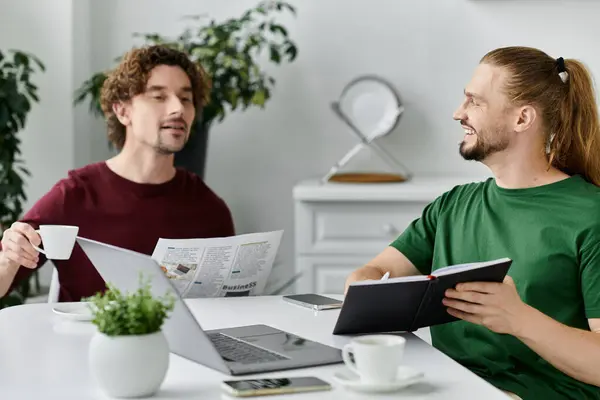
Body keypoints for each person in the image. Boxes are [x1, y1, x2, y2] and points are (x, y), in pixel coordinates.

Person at [345, 46, 600, 400]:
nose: (457, 113)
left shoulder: (591, 216)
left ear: (523, 118)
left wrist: (518, 319)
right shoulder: (454, 205)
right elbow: (375, 271)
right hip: (447, 389)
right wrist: (363, 287)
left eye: (474, 102)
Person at [0, 45, 235, 302]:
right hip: (85, 341)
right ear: (123, 111)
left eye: (186, 98)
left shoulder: (209, 208)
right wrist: (8, 260)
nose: (177, 108)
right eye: (159, 97)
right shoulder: (75, 195)